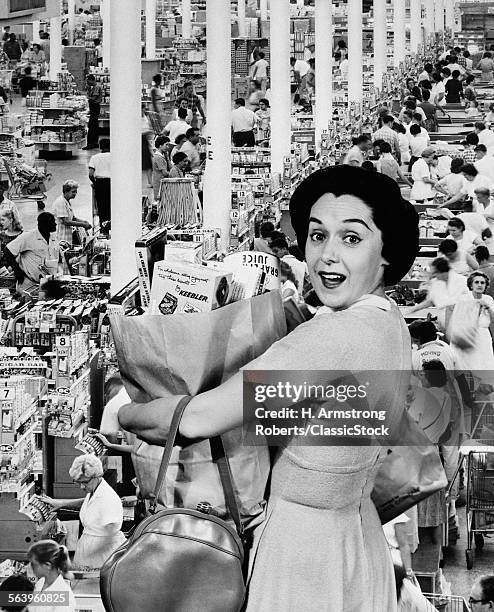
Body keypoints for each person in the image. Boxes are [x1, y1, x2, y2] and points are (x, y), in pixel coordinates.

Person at [119, 165, 420, 611]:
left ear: (387, 252)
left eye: (352, 238)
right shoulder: (386, 320)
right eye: (317, 236)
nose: (327, 256)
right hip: (355, 540)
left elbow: (198, 418)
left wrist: (125, 414)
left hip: (303, 558)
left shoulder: (334, 337)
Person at [39, 455, 126, 570]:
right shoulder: (96, 490)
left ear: (97, 476)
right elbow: (88, 502)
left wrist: (92, 553)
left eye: (84, 482)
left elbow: (111, 530)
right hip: (89, 549)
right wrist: (61, 503)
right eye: (78, 482)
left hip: (101, 556)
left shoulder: (107, 498)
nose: (81, 487)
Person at [3, 212, 60, 295]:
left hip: (47, 284)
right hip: (29, 285)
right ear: (43, 225)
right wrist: (17, 271)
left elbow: (58, 258)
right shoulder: (28, 236)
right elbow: (7, 250)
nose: (55, 224)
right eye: (52, 222)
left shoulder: (53, 238)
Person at [406, 258, 469, 326]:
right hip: (443, 321)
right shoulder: (435, 282)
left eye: (435, 272)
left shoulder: (462, 281)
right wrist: (413, 309)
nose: (433, 275)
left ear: (442, 272)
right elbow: (431, 301)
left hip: (460, 320)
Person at [451, 271, 494, 371]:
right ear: (471, 285)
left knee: (484, 364)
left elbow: (493, 319)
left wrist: (488, 307)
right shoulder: (463, 299)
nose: (479, 285)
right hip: (467, 335)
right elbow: (457, 320)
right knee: (468, 365)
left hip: (483, 336)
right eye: (477, 282)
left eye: (482, 283)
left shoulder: (489, 299)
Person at [27, 540, 76, 612]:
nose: (30, 567)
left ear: (47, 565)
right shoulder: (41, 583)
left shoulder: (63, 595)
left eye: (34, 564)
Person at [52, 181, 91, 245]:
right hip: (61, 237)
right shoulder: (60, 202)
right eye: (73, 192)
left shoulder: (67, 202)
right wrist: (83, 225)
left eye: (76, 192)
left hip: (67, 237)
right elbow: (66, 222)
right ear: (66, 191)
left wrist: (84, 221)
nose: (75, 194)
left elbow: (73, 218)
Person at [88, 139, 111, 233]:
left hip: (100, 184)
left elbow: (90, 174)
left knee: (101, 206)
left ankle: (103, 227)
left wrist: (95, 183)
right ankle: (112, 225)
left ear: (100, 147)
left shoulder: (94, 157)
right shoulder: (116, 157)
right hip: (113, 183)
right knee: (112, 205)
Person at [84, 74, 102, 150]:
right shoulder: (93, 87)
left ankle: (90, 143)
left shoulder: (97, 87)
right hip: (93, 107)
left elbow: (93, 98)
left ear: (92, 80)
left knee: (92, 125)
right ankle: (94, 142)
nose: (87, 82)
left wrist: (88, 97)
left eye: (88, 81)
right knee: (94, 125)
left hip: (95, 106)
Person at [152, 135, 170, 200]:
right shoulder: (158, 158)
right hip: (159, 183)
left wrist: (167, 158)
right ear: (160, 145)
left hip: (160, 182)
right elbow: (165, 173)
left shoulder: (161, 156)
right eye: (166, 145)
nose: (168, 147)